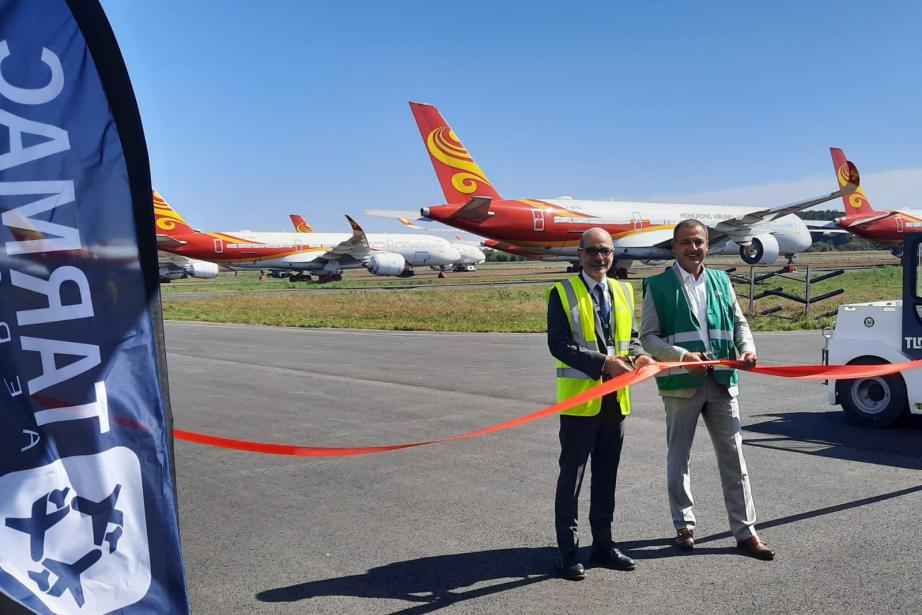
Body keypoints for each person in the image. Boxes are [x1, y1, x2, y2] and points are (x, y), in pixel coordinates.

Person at [639, 218, 774, 560]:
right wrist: (682, 356)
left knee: (735, 459)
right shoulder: (657, 286)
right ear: (674, 247)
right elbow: (648, 337)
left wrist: (748, 348)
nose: (693, 248)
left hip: (722, 382)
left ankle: (746, 532)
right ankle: (683, 525)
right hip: (681, 384)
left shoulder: (721, 280)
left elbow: (738, 323)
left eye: (699, 242)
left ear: (707, 245)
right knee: (679, 458)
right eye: (686, 242)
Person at [546, 227, 655, 580]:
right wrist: (603, 363)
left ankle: (604, 545)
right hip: (581, 403)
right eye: (592, 250)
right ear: (580, 255)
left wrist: (639, 358)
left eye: (605, 250)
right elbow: (559, 345)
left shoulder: (623, 290)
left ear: (613, 254)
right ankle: (567, 552)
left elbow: (632, 339)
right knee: (572, 479)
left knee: (606, 477)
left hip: (616, 401)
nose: (600, 257)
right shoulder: (561, 292)